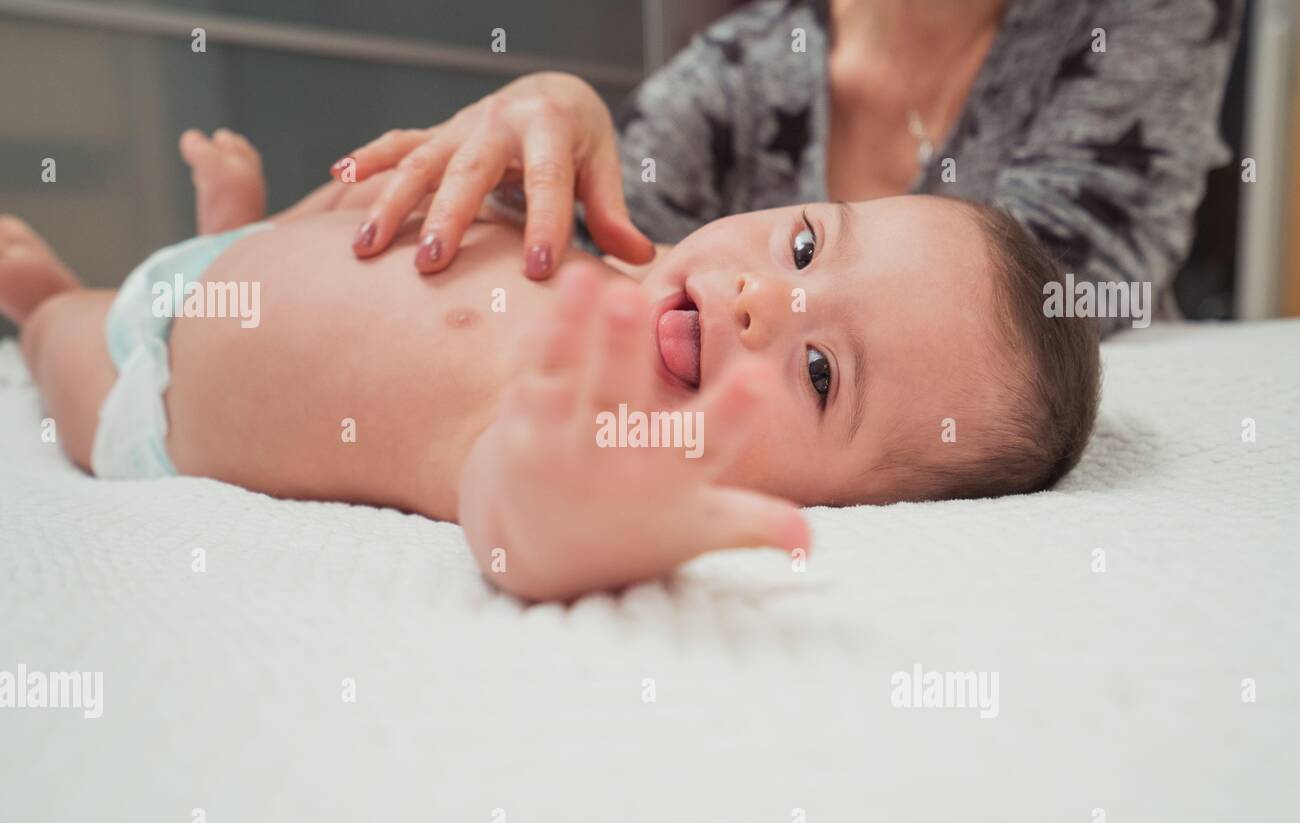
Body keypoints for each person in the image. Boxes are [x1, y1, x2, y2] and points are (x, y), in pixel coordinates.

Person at [1, 130, 1097, 601]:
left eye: (820, 374)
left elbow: (514, 511)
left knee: (65, 349)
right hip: (259, 261)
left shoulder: (601, 428)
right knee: (353, 211)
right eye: (804, 246)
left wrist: (581, 513)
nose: (769, 299)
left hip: (161, 387)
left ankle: (47, 298)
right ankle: (244, 227)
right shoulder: (620, 247)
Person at [334, 0, 1243, 335]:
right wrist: (541, 162)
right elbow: (581, 267)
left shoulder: (1144, 15)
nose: (762, 305)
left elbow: (1047, 300)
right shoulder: (741, 68)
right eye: (801, 246)